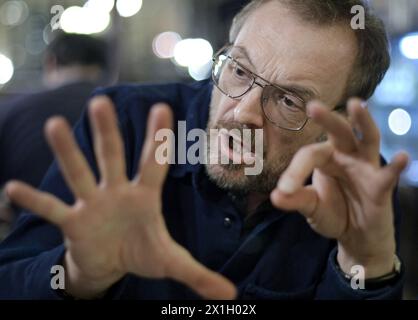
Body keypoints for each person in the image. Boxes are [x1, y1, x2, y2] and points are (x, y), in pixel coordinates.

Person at [0, 0, 409, 299]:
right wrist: (77, 275)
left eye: (289, 100)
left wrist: (365, 265)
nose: (244, 112)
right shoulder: (126, 125)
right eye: (239, 70)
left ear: (340, 124)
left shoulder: (357, 190)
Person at [0, 33, 109, 189]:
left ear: (51, 62)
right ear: (103, 67)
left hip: (26, 210)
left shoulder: (12, 111)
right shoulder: (124, 109)